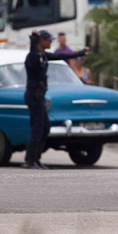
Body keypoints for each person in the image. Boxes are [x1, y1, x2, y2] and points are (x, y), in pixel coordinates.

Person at [23, 30, 87, 170]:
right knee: (37, 129)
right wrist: (34, 39)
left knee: (45, 128)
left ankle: (36, 159)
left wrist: (78, 53)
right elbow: (33, 55)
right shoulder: (33, 56)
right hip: (33, 96)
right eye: (48, 39)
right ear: (41, 41)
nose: (51, 42)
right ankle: (29, 160)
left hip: (40, 96)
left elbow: (60, 55)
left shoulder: (43, 55)